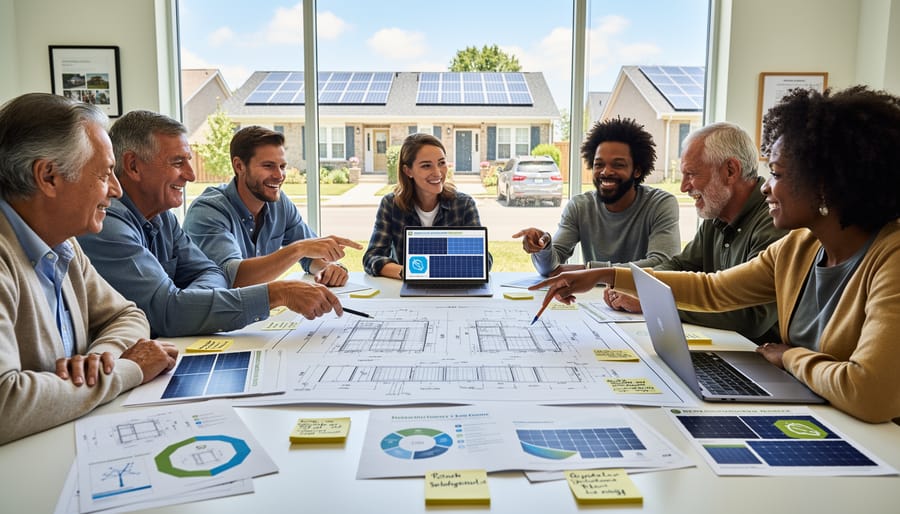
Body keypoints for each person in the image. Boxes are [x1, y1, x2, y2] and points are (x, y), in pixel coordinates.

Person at [532, 86, 900, 423]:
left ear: (825, 183)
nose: (767, 187)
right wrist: (605, 276)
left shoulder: (891, 257)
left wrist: (790, 358)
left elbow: (869, 393)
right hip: (819, 411)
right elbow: (713, 290)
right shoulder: (800, 247)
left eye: (776, 174)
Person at [0, 93, 177, 444]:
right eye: (105, 173)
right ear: (48, 176)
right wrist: (127, 370)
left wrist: (101, 360)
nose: (115, 189)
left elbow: (127, 315)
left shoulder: (63, 244)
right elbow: (6, 404)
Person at [78, 110, 344, 338]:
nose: (191, 175)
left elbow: (210, 273)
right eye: (178, 162)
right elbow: (174, 310)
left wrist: (190, 304)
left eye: (282, 166)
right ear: (134, 166)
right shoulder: (106, 224)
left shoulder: (163, 218)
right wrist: (278, 292)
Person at [603, 122, 788, 343]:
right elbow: (681, 265)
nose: (683, 187)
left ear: (730, 171)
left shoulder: (776, 221)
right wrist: (637, 285)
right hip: (722, 346)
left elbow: (751, 316)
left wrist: (651, 301)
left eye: (691, 174)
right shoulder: (717, 211)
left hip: (761, 361)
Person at [183, 126, 361, 288]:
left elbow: (310, 254)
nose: (279, 175)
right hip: (210, 318)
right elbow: (233, 278)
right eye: (268, 166)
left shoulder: (279, 203)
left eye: (282, 166)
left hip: (252, 314)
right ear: (239, 166)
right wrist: (299, 249)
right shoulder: (208, 211)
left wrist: (328, 268)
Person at [513, 117, 680, 276]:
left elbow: (662, 264)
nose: (606, 171)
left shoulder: (660, 204)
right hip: (595, 302)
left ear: (637, 170)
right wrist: (544, 246)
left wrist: (590, 271)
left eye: (618, 165)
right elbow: (549, 268)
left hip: (640, 301)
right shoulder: (580, 206)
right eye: (599, 164)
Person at [363, 133, 492, 279]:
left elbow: (484, 261)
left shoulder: (463, 205)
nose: (437, 173)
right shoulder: (391, 205)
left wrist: (436, 270)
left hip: (453, 287)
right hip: (407, 288)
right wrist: (409, 273)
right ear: (408, 171)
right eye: (426, 166)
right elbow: (372, 258)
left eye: (441, 163)